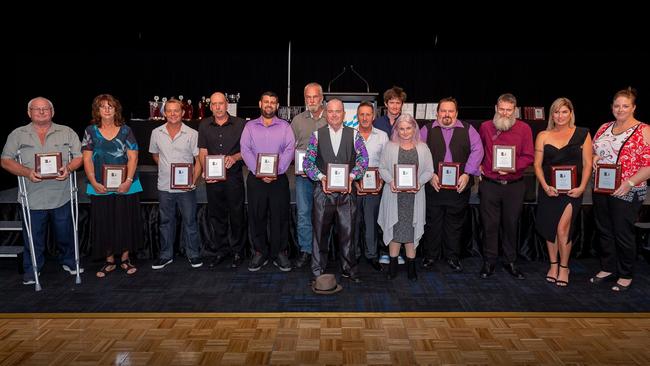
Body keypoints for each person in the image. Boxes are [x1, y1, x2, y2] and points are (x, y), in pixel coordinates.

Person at [1, 97, 84, 285]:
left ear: (52, 112)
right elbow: (6, 160)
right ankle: (33, 270)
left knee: (65, 233)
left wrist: (69, 168)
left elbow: (79, 157)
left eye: (45, 109)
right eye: (36, 109)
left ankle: (70, 261)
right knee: (33, 236)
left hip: (61, 193)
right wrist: (26, 172)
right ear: (29, 112)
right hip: (32, 195)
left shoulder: (66, 132)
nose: (41, 112)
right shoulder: (18, 134)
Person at [591, 87, 650, 291]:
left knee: (622, 232)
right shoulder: (604, 127)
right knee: (604, 230)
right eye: (617, 105)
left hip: (628, 190)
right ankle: (608, 267)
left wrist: (629, 183)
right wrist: (594, 159)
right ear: (612, 107)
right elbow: (593, 152)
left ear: (633, 107)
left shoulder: (644, 130)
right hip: (601, 188)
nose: (620, 109)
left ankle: (625, 273)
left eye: (625, 106)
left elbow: (648, 166)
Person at [303, 98, 369, 283]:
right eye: (330, 111)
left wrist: (351, 176)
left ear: (344, 114)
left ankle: (349, 268)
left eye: (337, 111)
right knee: (319, 233)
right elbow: (307, 163)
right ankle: (317, 270)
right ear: (326, 113)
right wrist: (321, 177)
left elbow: (363, 160)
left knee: (348, 234)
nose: (334, 114)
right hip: (323, 193)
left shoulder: (355, 135)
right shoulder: (316, 135)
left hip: (347, 193)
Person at [81, 94, 143, 278]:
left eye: (110, 106)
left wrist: (128, 181)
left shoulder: (126, 131)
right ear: (97, 110)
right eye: (103, 106)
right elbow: (86, 158)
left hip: (127, 184)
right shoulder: (90, 131)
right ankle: (109, 262)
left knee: (124, 220)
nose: (107, 109)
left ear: (116, 109)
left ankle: (124, 259)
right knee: (104, 221)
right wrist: (93, 181)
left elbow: (133, 157)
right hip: (99, 184)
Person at [420, 98, 483, 272]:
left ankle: (452, 257)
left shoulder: (469, 130)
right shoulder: (426, 130)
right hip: (434, 184)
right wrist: (430, 173)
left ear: (456, 113)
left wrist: (467, 173)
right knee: (432, 222)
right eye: (443, 111)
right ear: (437, 112)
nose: (447, 114)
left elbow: (478, 151)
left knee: (454, 223)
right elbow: (418, 151)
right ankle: (430, 256)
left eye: (450, 111)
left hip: (459, 186)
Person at [533, 97, 591, 287]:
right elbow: (537, 165)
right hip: (550, 190)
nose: (560, 115)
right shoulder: (543, 135)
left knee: (562, 229)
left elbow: (588, 164)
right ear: (552, 115)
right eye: (556, 112)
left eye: (564, 111)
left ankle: (565, 267)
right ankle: (553, 265)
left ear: (571, 113)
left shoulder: (583, 134)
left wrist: (582, 187)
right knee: (550, 228)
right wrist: (544, 186)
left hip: (572, 191)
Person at [478, 93, 534, 279]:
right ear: (496, 108)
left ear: (515, 110)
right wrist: (477, 165)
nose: (504, 113)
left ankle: (511, 261)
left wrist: (512, 168)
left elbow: (529, 156)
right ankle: (489, 261)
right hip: (490, 185)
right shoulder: (486, 127)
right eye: (501, 109)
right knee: (489, 225)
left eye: (509, 110)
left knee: (511, 224)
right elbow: (478, 150)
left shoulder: (524, 128)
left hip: (514, 186)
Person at [240, 91, 295, 272]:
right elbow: (245, 149)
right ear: (260, 104)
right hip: (256, 180)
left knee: (280, 216)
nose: (269, 105)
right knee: (257, 216)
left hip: (278, 179)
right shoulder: (249, 127)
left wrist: (276, 171)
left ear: (277, 106)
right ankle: (259, 252)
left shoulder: (285, 127)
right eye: (266, 102)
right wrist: (257, 171)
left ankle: (280, 252)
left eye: (273, 102)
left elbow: (289, 149)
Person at [377, 114, 434, 281]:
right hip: (394, 195)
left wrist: (419, 183)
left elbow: (429, 171)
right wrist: (391, 181)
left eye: (408, 128)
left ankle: (411, 267)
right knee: (394, 229)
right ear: (397, 130)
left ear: (414, 129)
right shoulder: (390, 146)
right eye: (401, 128)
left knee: (411, 229)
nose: (405, 132)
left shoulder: (423, 148)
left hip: (414, 197)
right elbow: (382, 168)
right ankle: (392, 266)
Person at [149, 98, 203, 270]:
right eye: (169, 110)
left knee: (190, 221)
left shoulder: (193, 134)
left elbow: (198, 160)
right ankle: (166, 255)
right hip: (165, 186)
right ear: (164, 113)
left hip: (186, 188)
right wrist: (166, 169)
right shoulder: (156, 132)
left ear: (183, 113)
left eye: (176, 110)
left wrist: (192, 181)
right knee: (165, 222)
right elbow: (155, 155)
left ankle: (193, 254)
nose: (173, 114)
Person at [198, 92, 247, 268]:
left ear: (227, 104)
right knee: (216, 216)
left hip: (233, 178)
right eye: (214, 104)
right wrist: (205, 171)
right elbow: (202, 152)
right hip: (213, 180)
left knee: (236, 215)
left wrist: (234, 157)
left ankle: (237, 252)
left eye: (221, 103)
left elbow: (248, 150)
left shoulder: (241, 124)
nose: (218, 107)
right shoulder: (204, 125)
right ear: (210, 106)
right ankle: (220, 251)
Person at [290, 82, 327, 268]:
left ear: (321, 98)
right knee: (304, 214)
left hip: (325, 178)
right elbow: (290, 148)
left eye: (315, 97)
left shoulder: (331, 117)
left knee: (324, 215)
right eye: (308, 97)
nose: (312, 100)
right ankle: (305, 250)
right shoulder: (297, 121)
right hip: (303, 177)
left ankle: (321, 251)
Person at [353, 101, 388, 271]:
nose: (365, 117)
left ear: (373, 116)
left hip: (375, 186)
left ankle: (372, 255)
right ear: (357, 116)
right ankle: (354, 254)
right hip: (353, 186)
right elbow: (346, 161)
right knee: (353, 221)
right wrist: (353, 181)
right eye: (362, 114)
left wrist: (381, 180)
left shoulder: (382, 136)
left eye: (368, 114)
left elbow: (386, 162)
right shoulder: (350, 135)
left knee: (371, 222)